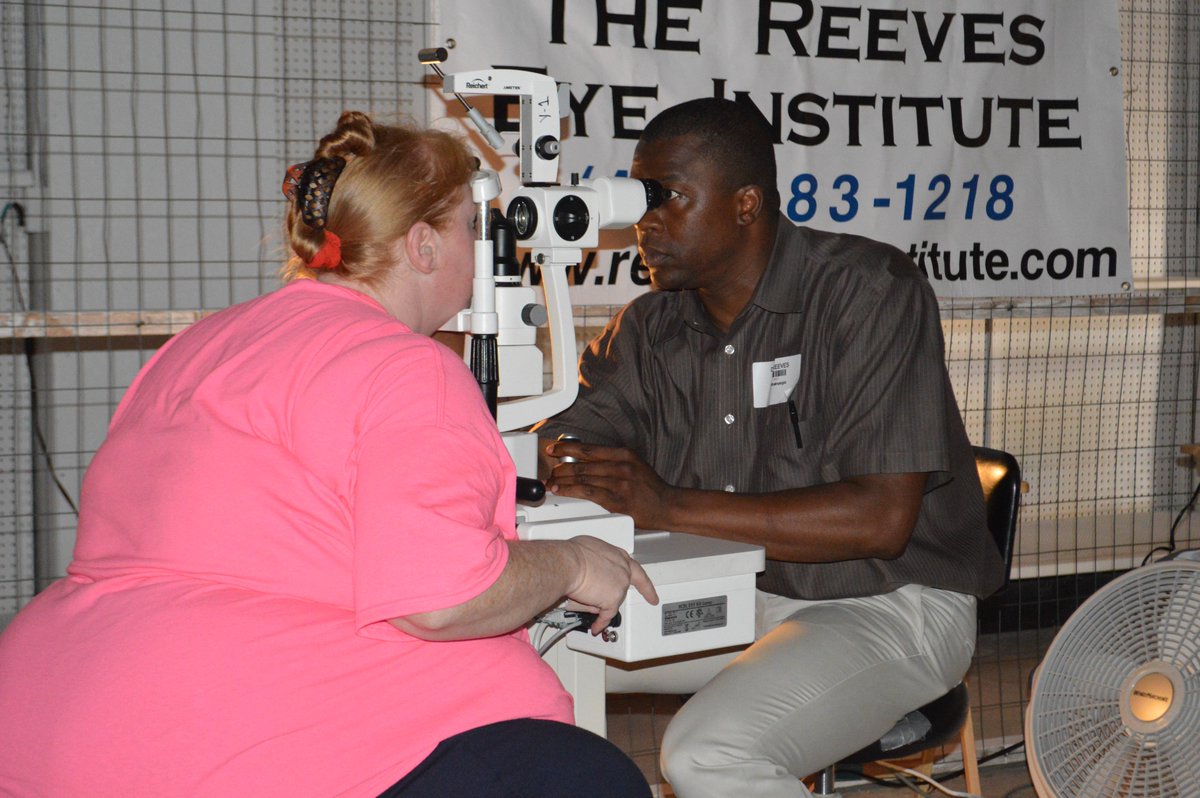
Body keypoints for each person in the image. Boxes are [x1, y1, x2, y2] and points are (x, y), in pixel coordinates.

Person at [0, 111, 657, 798]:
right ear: (424, 246)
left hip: (48, 716)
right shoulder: (407, 367)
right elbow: (441, 597)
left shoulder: (198, 346)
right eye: (470, 226)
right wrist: (572, 563)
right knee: (587, 778)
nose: (481, 247)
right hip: (224, 740)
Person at [533, 97, 1007, 797]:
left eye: (669, 199)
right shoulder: (651, 325)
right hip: (725, 591)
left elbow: (878, 521)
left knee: (706, 757)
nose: (646, 222)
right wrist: (572, 462)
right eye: (641, 199)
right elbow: (570, 440)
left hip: (889, 601)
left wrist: (663, 502)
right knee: (509, 652)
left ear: (746, 204)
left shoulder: (868, 292)